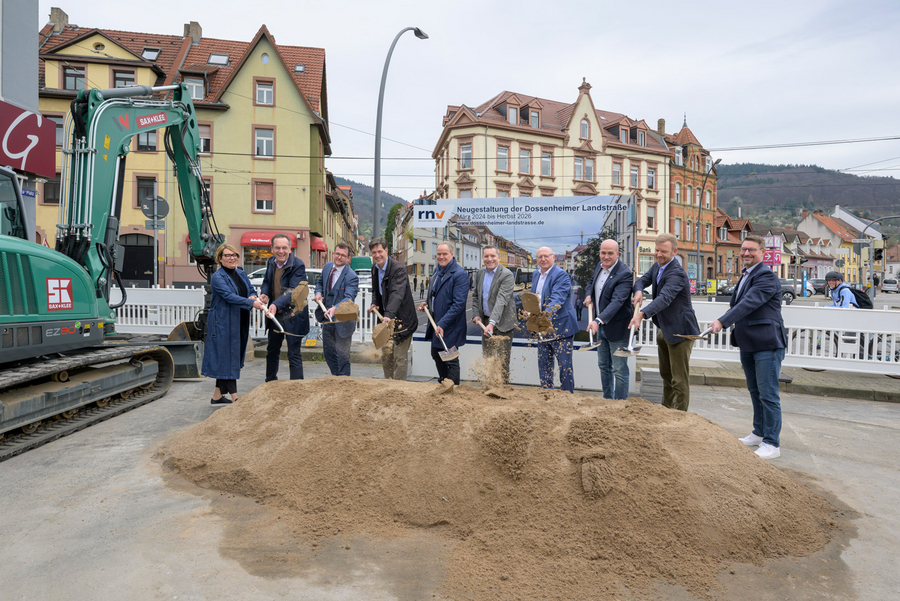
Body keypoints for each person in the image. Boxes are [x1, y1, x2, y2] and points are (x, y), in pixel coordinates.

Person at [710, 235, 786, 460]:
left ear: (762, 252)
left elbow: (749, 303)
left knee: (768, 394)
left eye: (751, 250)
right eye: (743, 250)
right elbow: (740, 304)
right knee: (755, 391)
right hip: (749, 342)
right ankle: (759, 432)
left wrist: (722, 321)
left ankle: (772, 443)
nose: (746, 253)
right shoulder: (746, 274)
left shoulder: (766, 276)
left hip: (767, 343)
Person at [630, 233, 700, 411]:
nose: (659, 254)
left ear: (674, 251)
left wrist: (641, 314)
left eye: (664, 251)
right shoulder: (657, 267)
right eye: (657, 250)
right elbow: (641, 281)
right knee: (666, 374)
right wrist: (638, 291)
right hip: (665, 329)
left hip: (681, 331)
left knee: (679, 379)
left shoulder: (677, 273)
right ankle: (665, 411)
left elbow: (664, 298)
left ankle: (678, 417)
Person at [201, 244, 266, 406]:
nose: (232, 258)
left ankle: (217, 397)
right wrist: (251, 304)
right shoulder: (218, 277)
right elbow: (229, 296)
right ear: (220, 259)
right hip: (223, 323)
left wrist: (253, 297)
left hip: (239, 320)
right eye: (228, 255)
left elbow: (250, 290)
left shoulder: (241, 273)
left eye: (234, 255)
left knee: (230, 357)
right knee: (228, 358)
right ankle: (236, 398)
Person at [585, 239, 634, 400]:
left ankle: (620, 405)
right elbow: (591, 282)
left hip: (618, 329)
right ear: (600, 253)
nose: (606, 257)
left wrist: (598, 321)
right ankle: (607, 400)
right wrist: (588, 295)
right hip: (601, 328)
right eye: (603, 253)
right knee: (603, 366)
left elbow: (617, 302)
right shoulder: (600, 267)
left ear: (617, 254)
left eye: (610, 253)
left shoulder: (624, 274)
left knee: (619, 369)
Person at [258, 233, 310, 381]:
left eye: (284, 248)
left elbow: (293, 291)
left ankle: (297, 388)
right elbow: (267, 281)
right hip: (276, 316)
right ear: (272, 249)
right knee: (272, 351)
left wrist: (275, 303)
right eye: (277, 248)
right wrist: (264, 294)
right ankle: (270, 382)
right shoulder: (271, 262)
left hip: (293, 315)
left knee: (293, 353)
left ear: (290, 248)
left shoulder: (298, 265)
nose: (281, 251)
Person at [368, 237, 419, 380]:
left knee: (399, 358)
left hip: (403, 320)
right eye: (374, 252)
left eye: (379, 251)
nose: (377, 255)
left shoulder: (398, 269)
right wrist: (375, 303)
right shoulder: (375, 268)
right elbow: (376, 290)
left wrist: (389, 315)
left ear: (386, 251)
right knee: (386, 356)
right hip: (386, 320)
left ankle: (399, 390)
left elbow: (397, 294)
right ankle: (388, 386)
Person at [419, 242, 469, 385]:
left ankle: (452, 387)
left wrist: (443, 323)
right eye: (439, 254)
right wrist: (427, 304)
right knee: (436, 353)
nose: (441, 257)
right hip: (437, 324)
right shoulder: (437, 272)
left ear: (452, 255)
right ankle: (444, 382)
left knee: (451, 359)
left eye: (444, 254)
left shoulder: (460, 274)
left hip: (450, 326)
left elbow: (458, 304)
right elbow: (436, 295)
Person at [531, 246, 578, 393]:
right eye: (540, 257)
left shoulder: (561, 275)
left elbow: (556, 299)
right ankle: (547, 395)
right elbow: (535, 298)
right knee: (544, 365)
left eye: (546, 256)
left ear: (553, 258)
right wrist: (530, 312)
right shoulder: (535, 274)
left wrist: (544, 316)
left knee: (564, 366)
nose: (543, 259)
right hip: (543, 329)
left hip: (561, 327)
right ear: (536, 259)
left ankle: (567, 396)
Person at [471, 245, 517, 383]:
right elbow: (475, 296)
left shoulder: (507, 275)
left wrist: (492, 322)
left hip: (503, 324)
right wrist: (476, 314)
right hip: (485, 322)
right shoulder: (479, 273)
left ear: (499, 257)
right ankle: (489, 387)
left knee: (503, 360)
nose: (489, 259)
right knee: (488, 357)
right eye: (486, 256)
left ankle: (503, 390)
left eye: (492, 256)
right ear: (483, 258)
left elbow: (501, 300)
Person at [314, 242, 359, 376]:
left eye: (343, 256)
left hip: (343, 323)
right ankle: (336, 379)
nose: (339, 257)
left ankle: (344, 384)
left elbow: (349, 298)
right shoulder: (327, 267)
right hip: (327, 320)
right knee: (328, 354)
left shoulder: (352, 277)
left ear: (348, 258)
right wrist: (318, 293)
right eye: (337, 254)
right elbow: (320, 283)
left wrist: (335, 308)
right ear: (333, 254)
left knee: (343, 357)